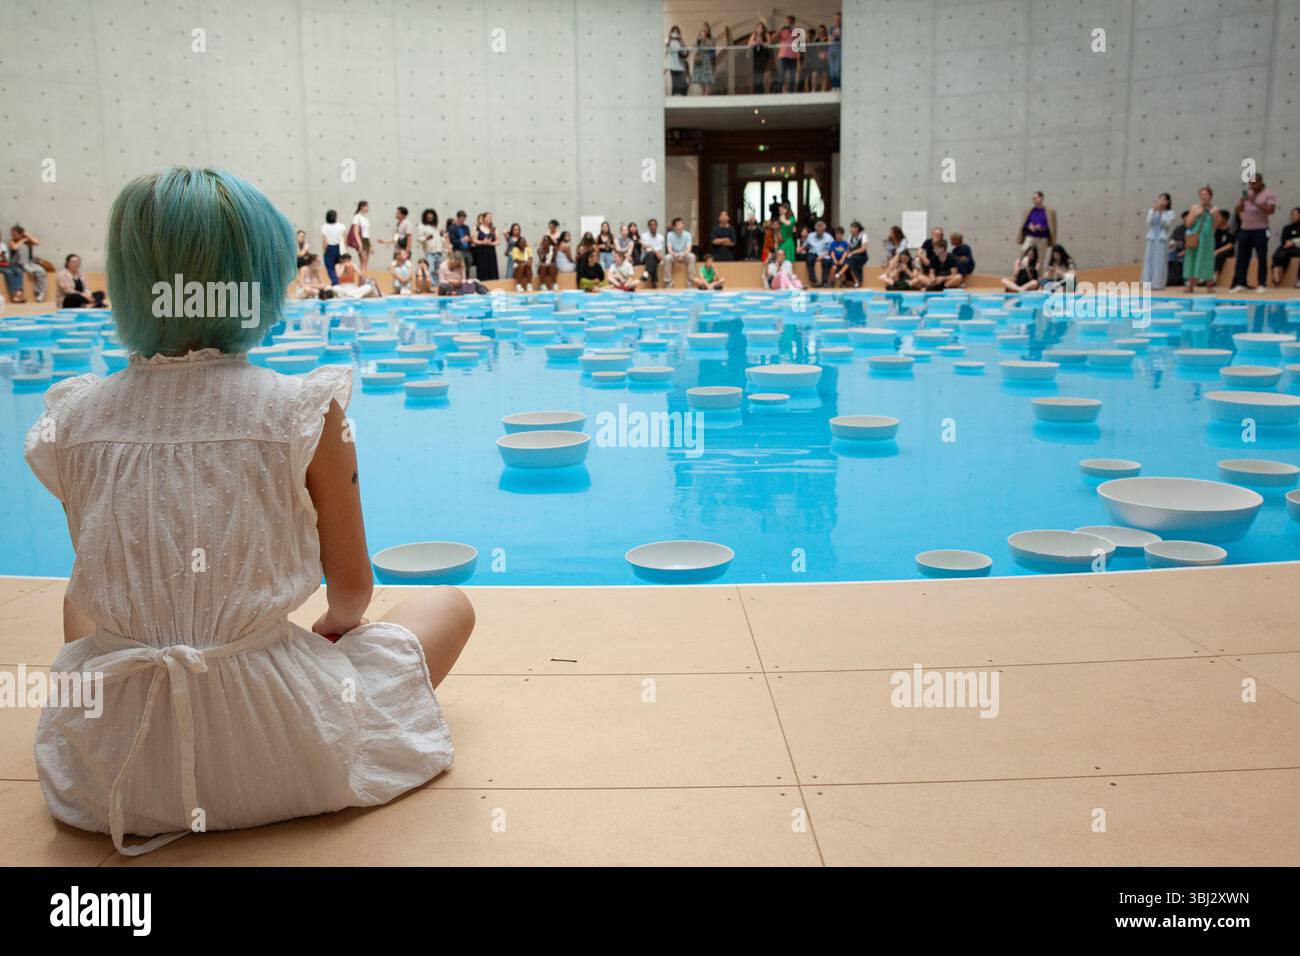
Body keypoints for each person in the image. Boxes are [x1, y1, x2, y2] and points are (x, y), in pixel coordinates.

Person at [24, 166, 473, 856]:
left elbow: (107, 570)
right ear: (257, 282)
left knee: (84, 601)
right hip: (284, 750)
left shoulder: (73, 418)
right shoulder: (303, 410)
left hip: (111, 776)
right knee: (447, 605)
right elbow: (352, 593)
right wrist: (329, 632)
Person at [1230, 175, 1277, 292]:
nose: (1252, 186)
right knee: (1242, 257)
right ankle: (1241, 283)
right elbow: (1238, 210)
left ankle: (1261, 283)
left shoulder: (1268, 194)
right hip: (1245, 229)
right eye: (1250, 184)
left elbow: (1271, 210)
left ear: (1261, 182)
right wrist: (1241, 203)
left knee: (1261, 256)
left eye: (1254, 183)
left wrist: (1254, 202)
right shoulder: (1247, 194)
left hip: (1262, 230)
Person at [1182, 186, 1218, 293]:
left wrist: (1213, 216)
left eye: (1205, 194)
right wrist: (1196, 215)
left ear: (1210, 196)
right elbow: (1188, 224)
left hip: (1207, 239)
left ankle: (1209, 285)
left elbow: (1215, 226)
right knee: (1192, 259)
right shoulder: (1194, 208)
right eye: (1201, 194)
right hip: (1195, 237)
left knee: (1207, 260)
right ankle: (1190, 285)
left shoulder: (1214, 209)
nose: (1203, 196)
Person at [1141, 194, 1176, 290]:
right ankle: (1147, 283)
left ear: (1168, 202)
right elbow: (1149, 222)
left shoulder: (1170, 213)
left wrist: (1161, 213)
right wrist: (1154, 210)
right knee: (1149, 260)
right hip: (1152, 238)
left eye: (1164, 199)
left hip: (1162, 239)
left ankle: (1158, 284)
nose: (1161, 201)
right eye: (1160, 199)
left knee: (1160, 261)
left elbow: (1166, 225)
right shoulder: (1152, 211)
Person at [7, 224, 47, 302]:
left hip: (29, 263)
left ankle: (40, 292)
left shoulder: (27, 241)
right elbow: (14, 247)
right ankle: (25, 265)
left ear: (20, 234)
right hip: (16, 263)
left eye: (14, 234)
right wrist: (22, 241)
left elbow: (37, 242)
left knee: (41, 271)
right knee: (22, 247)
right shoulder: (12, 241)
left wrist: (26, 235)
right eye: (12, 234)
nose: (13, 236)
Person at [1017, 191, 1057, 266]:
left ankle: (1039, 276)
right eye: (1033, 198)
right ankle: (1021, 273)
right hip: (1030, 237)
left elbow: (1052, 227)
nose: (1033, 200)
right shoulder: (1029, 211)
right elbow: (1024, 224)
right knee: (1023, 252)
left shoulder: (1050, 212)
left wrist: (1042, 228)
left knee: (1041, 258)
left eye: (1035, 198)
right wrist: (1029, 226)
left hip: (1042, 238)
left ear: (1041, 198)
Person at [1270, 207, 1300, 288]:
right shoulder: (1287, 228)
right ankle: (1277, 279)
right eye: (1292, 214)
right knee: (1278, 254)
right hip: (1287, 248)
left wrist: (1293, 242)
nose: (1293, 216)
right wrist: (1287, 243)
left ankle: (1299, 281)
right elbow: (1283, 240)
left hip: (1297, 248)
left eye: (1296, 214)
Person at [664, 217, 696, 287]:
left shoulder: (688, 234)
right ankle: (668, 282)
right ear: (674, 227)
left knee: (692, 256)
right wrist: (674, 254)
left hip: (685, 254)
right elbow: (669, 248)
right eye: (678, 225)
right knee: (667, 257)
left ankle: (690, 282)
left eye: (682, 224)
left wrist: (683, 255)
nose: (681, 226)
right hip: (674, 254)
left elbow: (689, 248)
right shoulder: (670, 234)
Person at [804, 219, 833, 287]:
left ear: (824, 230)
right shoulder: (810, 235)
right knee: (810, 260)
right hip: (813, 252)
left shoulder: (828, 237)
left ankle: (825, 281)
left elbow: (831, 249)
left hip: (824, 254)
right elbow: (805, 246)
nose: (819, 232)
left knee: (826, 262)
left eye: (821, 230)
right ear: (815, 230)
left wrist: (822, 256)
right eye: (818, 230)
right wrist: (800, 249)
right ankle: (813, 280)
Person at [471, 212, 499, 281]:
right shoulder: (478, 228)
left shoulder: (493, 229)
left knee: (492, 268)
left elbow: (498, 241)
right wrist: (483, 242)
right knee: (482, 269)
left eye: (490, 217)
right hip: (481, 251)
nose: (489, 219)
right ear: (483, 219)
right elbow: (474, 240)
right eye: (487, 217)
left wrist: (490, 243)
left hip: (491, 251)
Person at [320, 209, 346, 285]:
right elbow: (344, 239)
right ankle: (337, 282)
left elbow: (325, 241)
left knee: (330, 268)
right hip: (340, 248)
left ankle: (336, 282)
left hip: (330, 248)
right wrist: (345, 249)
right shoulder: (341, 226)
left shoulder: (324, 227)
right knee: (340, 267)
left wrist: (324, 251)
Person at [776, 16, 800, 93]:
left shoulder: (797, 31)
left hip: (793, 56)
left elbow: (798, 45)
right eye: (787, 22)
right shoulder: (783, 30)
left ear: (793, 22)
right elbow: (773, 39)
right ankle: (779, 91)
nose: (788, 23)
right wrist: (779, 31)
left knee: (793, 75)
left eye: (790, 22)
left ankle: (791, 92)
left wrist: (798, 60)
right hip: (783, 56)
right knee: (782, 74)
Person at [418, 208, 443, 280]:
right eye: (428, 217)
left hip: (439, 252)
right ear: (425, 217)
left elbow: (442, 238)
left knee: (439, 271)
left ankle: (437, 286)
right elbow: (419, 239)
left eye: (431, 217)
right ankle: (430, 286)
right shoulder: (422, 226)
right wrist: (426, 238)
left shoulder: (438, 226)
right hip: (430, 252)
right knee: (430, 270)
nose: (430, 218)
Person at [347, 201, 371, 276]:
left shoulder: (365, 218)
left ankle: (363, 282)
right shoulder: (357, 217)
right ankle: (361, 282)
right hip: (361, 240)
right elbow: (355, 232)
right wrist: (360, 245)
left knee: (365, 264)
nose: (368, 208)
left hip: (366, 240)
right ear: (361, 207)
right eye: (366, 206)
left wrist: (370, 245)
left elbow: (367, 232)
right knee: (363, 263)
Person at [1213, 209, 1236, 287]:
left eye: (1218, 217)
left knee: (1220, 256)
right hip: (1215, 250)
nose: (1216, 219)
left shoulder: (1230, 230)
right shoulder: (1216, 230)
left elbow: (1230, 245)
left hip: (1227, 250)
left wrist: (1217, 251)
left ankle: (1215, 276)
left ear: (1225, 219)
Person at [842, 221, 869, 287]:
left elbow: (863, 249)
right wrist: (848, 254)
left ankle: (857, 281)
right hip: (852, 256)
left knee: (852, 261)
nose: (850, 229)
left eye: (852, 228)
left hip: (862, 256)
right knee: (847, 261)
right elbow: (848, 249)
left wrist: (853, 253)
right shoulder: (850, 237)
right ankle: (851, 281)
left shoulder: (863, 236)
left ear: (857, 228)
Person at [748, 20, 771, 93]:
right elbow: (749, 45)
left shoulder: (766, 35)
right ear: (756, 28)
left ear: (763, 29)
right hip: (756, 56)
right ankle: (757, 91)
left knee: (759, 74)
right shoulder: (754, 35)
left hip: (763, 56)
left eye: (761, 28)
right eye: (758, 28)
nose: (759, 29)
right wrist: (754, 43)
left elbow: (769, 44)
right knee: (755, 74)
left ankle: (760, 91)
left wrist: (761, 43)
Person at [640, 218, 665, 286]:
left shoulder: (661, 237)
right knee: (651, 255)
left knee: (652, 256)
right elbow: (646, 249)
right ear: (648, 227)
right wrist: (655, 251)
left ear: (657, 226)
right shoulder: (644, 236)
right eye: (651, 225)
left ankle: (646, 273)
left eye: (654, 225)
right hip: (645, 257)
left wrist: (653, 250)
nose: (653, 226)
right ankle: (654, 280)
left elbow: (659, 249)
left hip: (657, 257)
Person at [692, 24, 716, 95]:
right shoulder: (699, 40)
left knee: (706, 77)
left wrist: (705, 39)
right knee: (699, 77)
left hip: (706, 58)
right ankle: (702, 91)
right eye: (703, 29)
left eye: (706, 29)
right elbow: (693, 47)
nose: (704, 30)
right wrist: (698, 40)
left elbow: (712, 46)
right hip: (699, 59)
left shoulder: (711, 39)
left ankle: (707, 92)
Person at [666, 26, 689, 96]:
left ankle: (682, 96)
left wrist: (681, 39)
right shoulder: (668, 41)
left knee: (682, 82)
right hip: (673, 65)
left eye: (677, 32)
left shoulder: (680, 42)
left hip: (681, 65)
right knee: (675, 83)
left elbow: (685, 52)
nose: (675, 34)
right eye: (674, 32)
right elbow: (668, 51)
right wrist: (669, 38)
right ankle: (675, 96)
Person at [827, 12, 842, 91]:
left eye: (838, 19)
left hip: (839, 50)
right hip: (831, 51)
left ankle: (838, 86)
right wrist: (834, 35)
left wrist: (837, 34)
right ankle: (834, 86)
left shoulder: (843, 28)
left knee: (837, 69)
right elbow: (829, 40)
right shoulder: (831, 28)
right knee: (832, 70)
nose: (837, 20)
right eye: (836, 19)